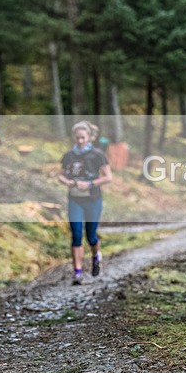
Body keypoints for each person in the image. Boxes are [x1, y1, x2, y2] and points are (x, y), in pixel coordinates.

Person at [58, 121, 112, 285]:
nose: (80, 141)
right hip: (74, 199)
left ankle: (96, 256)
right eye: (77, 138)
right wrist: (67, 182)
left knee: (91, 236)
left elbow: (108, 177)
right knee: (76, 234)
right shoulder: (69, 155)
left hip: (92, 199)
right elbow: (60, 174)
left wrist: (90, 184)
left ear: (89, 137)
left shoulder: (97, 155)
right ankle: (78, 272)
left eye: (83, 138)